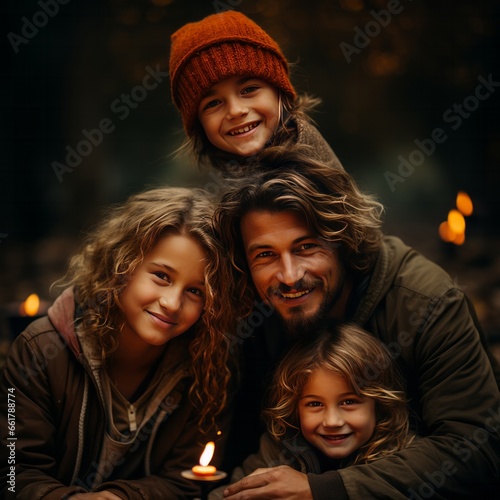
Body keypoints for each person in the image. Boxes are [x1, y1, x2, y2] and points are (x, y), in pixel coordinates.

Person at [213, 145, 500, 499]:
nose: (289, 275)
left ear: (342, 240)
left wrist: (325, 490)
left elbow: (477, 450)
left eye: (306, 247)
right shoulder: (253, 311)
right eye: (266, 255)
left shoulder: (426, 302)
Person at [0, 187, 240, 499]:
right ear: (121, 266)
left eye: (195, 291)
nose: (172, 302)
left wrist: (120, 497)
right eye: (162, 276)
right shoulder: (39, 350)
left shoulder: (209, 367)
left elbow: (187, 478)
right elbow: (13, 473)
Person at [209, 322, 416, 499]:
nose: (332, 421)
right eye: (315, 404)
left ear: (379, 403)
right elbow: (232, 492)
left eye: (348, 402)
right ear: (294, 407)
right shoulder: (283, 446)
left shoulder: (405, 458)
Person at [168, 10, 344, 173]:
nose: (235, 111)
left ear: (279, 91)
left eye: (248, 90)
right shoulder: (232, 180)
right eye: (213, 103)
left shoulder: (294, 189)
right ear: (198, 124)